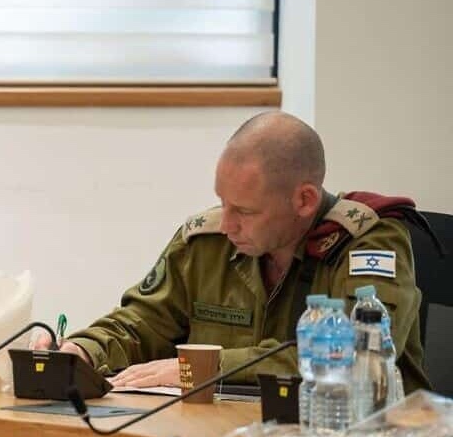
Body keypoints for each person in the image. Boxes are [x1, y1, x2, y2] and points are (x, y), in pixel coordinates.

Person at [34, 111, 428, 390]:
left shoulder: (368, 242)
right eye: (223, 202)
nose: (226, 224)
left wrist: (203, 367)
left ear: (304, 200)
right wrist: (82, 351)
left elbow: (356, 352)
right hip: (227, 436)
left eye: (244, 211)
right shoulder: (207, 243)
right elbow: (142, 322)